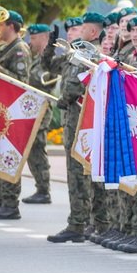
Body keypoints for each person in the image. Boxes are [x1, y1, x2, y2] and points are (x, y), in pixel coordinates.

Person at [47, 14, 104, 242]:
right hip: (73, 121)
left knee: (81, 174)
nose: (77, 33)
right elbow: (50, 67)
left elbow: (75, 85)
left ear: (92, 32)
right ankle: (79, 222)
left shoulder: (90, 53)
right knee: (76, 174)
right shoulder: (79, 50)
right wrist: (50, 47)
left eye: (81, 29)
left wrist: (63, 99)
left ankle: (82, 223)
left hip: (82, 121)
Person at [0, 10, 32, 220]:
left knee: (10, 156)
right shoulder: (4, 48)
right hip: (2, 108)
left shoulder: (20, 50)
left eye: (0, 25)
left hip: (13, 111)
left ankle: (10, 204)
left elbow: (21, 81)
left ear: (11, 26)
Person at [22, 23, 57, 205]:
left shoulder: (49, 59)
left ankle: (44, 189)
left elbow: (45, 82)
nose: (30, 41)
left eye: (34, 38)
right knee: (32, 149)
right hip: (30, 108)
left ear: (44, 38)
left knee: (37, 149)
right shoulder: (33, 57)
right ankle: (40, 187)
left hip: (42, 108)